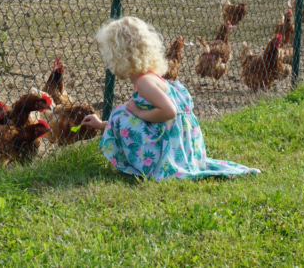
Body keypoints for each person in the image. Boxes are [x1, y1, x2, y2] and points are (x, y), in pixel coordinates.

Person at [81, 16, 260, 180]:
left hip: (169, 151)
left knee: (123, 112)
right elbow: (149, 118)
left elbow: (169, 111)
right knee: (123, 112)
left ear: (119, 56)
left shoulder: (145, 83)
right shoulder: (150, 77)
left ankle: (148, 165)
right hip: (181, 147)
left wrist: (136, 111)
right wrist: (101, 124)